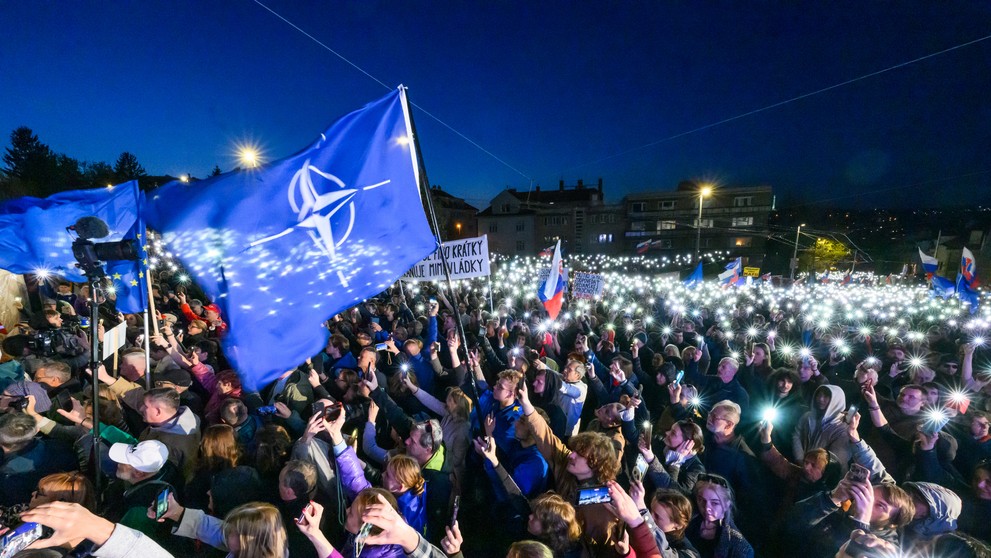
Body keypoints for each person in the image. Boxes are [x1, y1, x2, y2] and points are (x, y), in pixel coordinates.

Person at [685, 474, 754, 558]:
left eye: (714, 503)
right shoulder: (690, 518)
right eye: (702, 500)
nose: (707, 508)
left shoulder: (740, 547)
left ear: (726, 505)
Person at [640, 419, 706, 495]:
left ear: (688, 444)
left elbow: (673, 495)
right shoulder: (661, 444)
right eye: (670, 430)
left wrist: (675, 465)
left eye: (673, 433)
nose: (667, 433)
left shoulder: (696, 470)